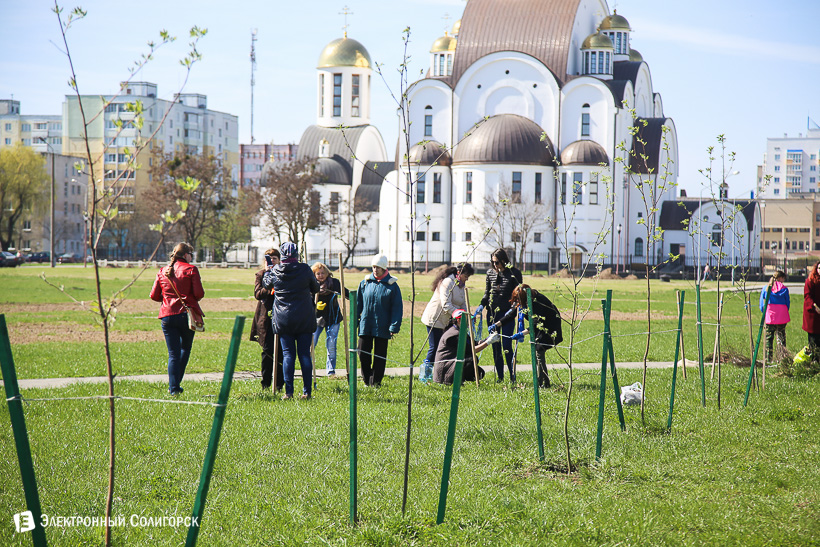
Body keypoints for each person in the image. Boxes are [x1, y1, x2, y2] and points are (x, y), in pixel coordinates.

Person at [266, 242, 320, 400]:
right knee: (304, 355)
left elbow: (266, 284)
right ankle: (307, 392)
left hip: (284, 319)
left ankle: (288, 392)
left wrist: (268, 270)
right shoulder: (304, 269)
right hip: (304, 317)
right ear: (296, 254)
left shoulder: (276, 270)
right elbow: (316, 288)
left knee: (288, 355)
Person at [149, 242, 204, 395]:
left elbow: (154, 295)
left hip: (167, 316)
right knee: (185, 349)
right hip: (186, 315)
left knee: (173, 354)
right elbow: (199, 293)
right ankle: (175, 385)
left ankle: (174, 388)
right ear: (186, 255)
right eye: (191, 254)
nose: (191, 257)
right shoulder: (191, 269)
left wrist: (167, 299)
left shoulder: (163, 270)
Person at [490, 284, 563, 388]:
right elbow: (511, 315)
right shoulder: (524, 302)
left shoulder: (537, 302)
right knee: (538, 351)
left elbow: (535, 324)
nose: (517, 302)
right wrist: (496, 325)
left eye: (518, 299)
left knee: (539, 350)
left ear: (523, 298)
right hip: (540, 327)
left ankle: (542, 383)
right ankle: (543, 382)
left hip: (550, 328)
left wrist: (521, 333)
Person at [420, 263, 475, 383]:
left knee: (448, 347)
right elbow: (446, 305)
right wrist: (460, 314)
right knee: (435, 347)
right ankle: (425, 375)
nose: (467, 279)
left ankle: (445, 372)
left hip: (447, 319)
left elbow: (462, 303)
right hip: (435, 318)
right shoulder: (448, 282)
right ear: (459, 273)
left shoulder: (461, 285)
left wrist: (468, 315)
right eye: (466, 276)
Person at [477, 248, 523, 383]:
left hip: (507, 315)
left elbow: (518, 296)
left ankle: (512, 376)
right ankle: (500, 377)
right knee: (495, 346)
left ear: (503, 260)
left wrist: (513, 310)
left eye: (497, 262)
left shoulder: (514, 273)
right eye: (492, 262)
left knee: (507, 346)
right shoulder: (490, 273)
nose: (495, 265)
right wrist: (481, 305)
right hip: (492, 314)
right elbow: (487, 293)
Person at [356, 254, 402, 387]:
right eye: (374, 267)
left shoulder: (392, 286)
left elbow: (397, 308)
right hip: (366, 324)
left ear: (384, 268)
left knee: (380, 355)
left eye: (378, 267)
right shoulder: (365, 283)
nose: (375, 270)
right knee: (362, 352)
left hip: (383, 325)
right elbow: (358, 303)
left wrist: (394, 326)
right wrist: (355, 320)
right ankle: (366, 380)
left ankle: (375, 382)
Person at [433, 310, 500, 385]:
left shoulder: (460, 331)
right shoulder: (453, 335)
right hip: (446, 367)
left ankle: (460, 381)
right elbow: (472, 350)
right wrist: (488, 342)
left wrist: (487, 338)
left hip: (453, 362)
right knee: (471, 360)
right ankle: (452, 381)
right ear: (458, 320)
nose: (469, 322)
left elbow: (474, 343)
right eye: (467, 319)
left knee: (479, 373)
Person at [250, 248, 284, 391]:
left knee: (281, 351)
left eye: (274, 259)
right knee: (268, 351)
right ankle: (266, 383)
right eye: (268, 259)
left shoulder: (283, 273)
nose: (271, 261)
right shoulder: (261, 274)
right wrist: (269, 287)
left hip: (281, 315)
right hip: (265, 316)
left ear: (279, 260)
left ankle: (279, 384)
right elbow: (257, 294)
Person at [312, 262, 348, 377]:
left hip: (333, 317)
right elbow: (306, 299)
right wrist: (314, 305)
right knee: (311, 344)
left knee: (331, 345)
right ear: (314, 274)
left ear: (327, 273)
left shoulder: (334, 283)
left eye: (323, 273)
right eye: (318, 274)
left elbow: (346, 293)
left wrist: (353, 297)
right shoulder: (312, 284)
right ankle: (308, 369)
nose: (321, 275)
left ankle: (331, 371)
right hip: (316, 318)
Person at [761, 270, 790, 364]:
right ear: (780, 278)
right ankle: (782, 358)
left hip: (770, 317)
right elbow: (787, 303)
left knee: (769, 338)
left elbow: (762, 304)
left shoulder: (766, 288)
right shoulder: (785, 289)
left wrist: (764, 312)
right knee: (781, 337)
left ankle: (768, 359)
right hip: (782, 317)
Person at [802, 262, 820, 353]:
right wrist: (814, 306)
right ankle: (814, 358)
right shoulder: (810, 280)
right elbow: (807, 295)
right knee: (814, 340)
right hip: (813, 313)